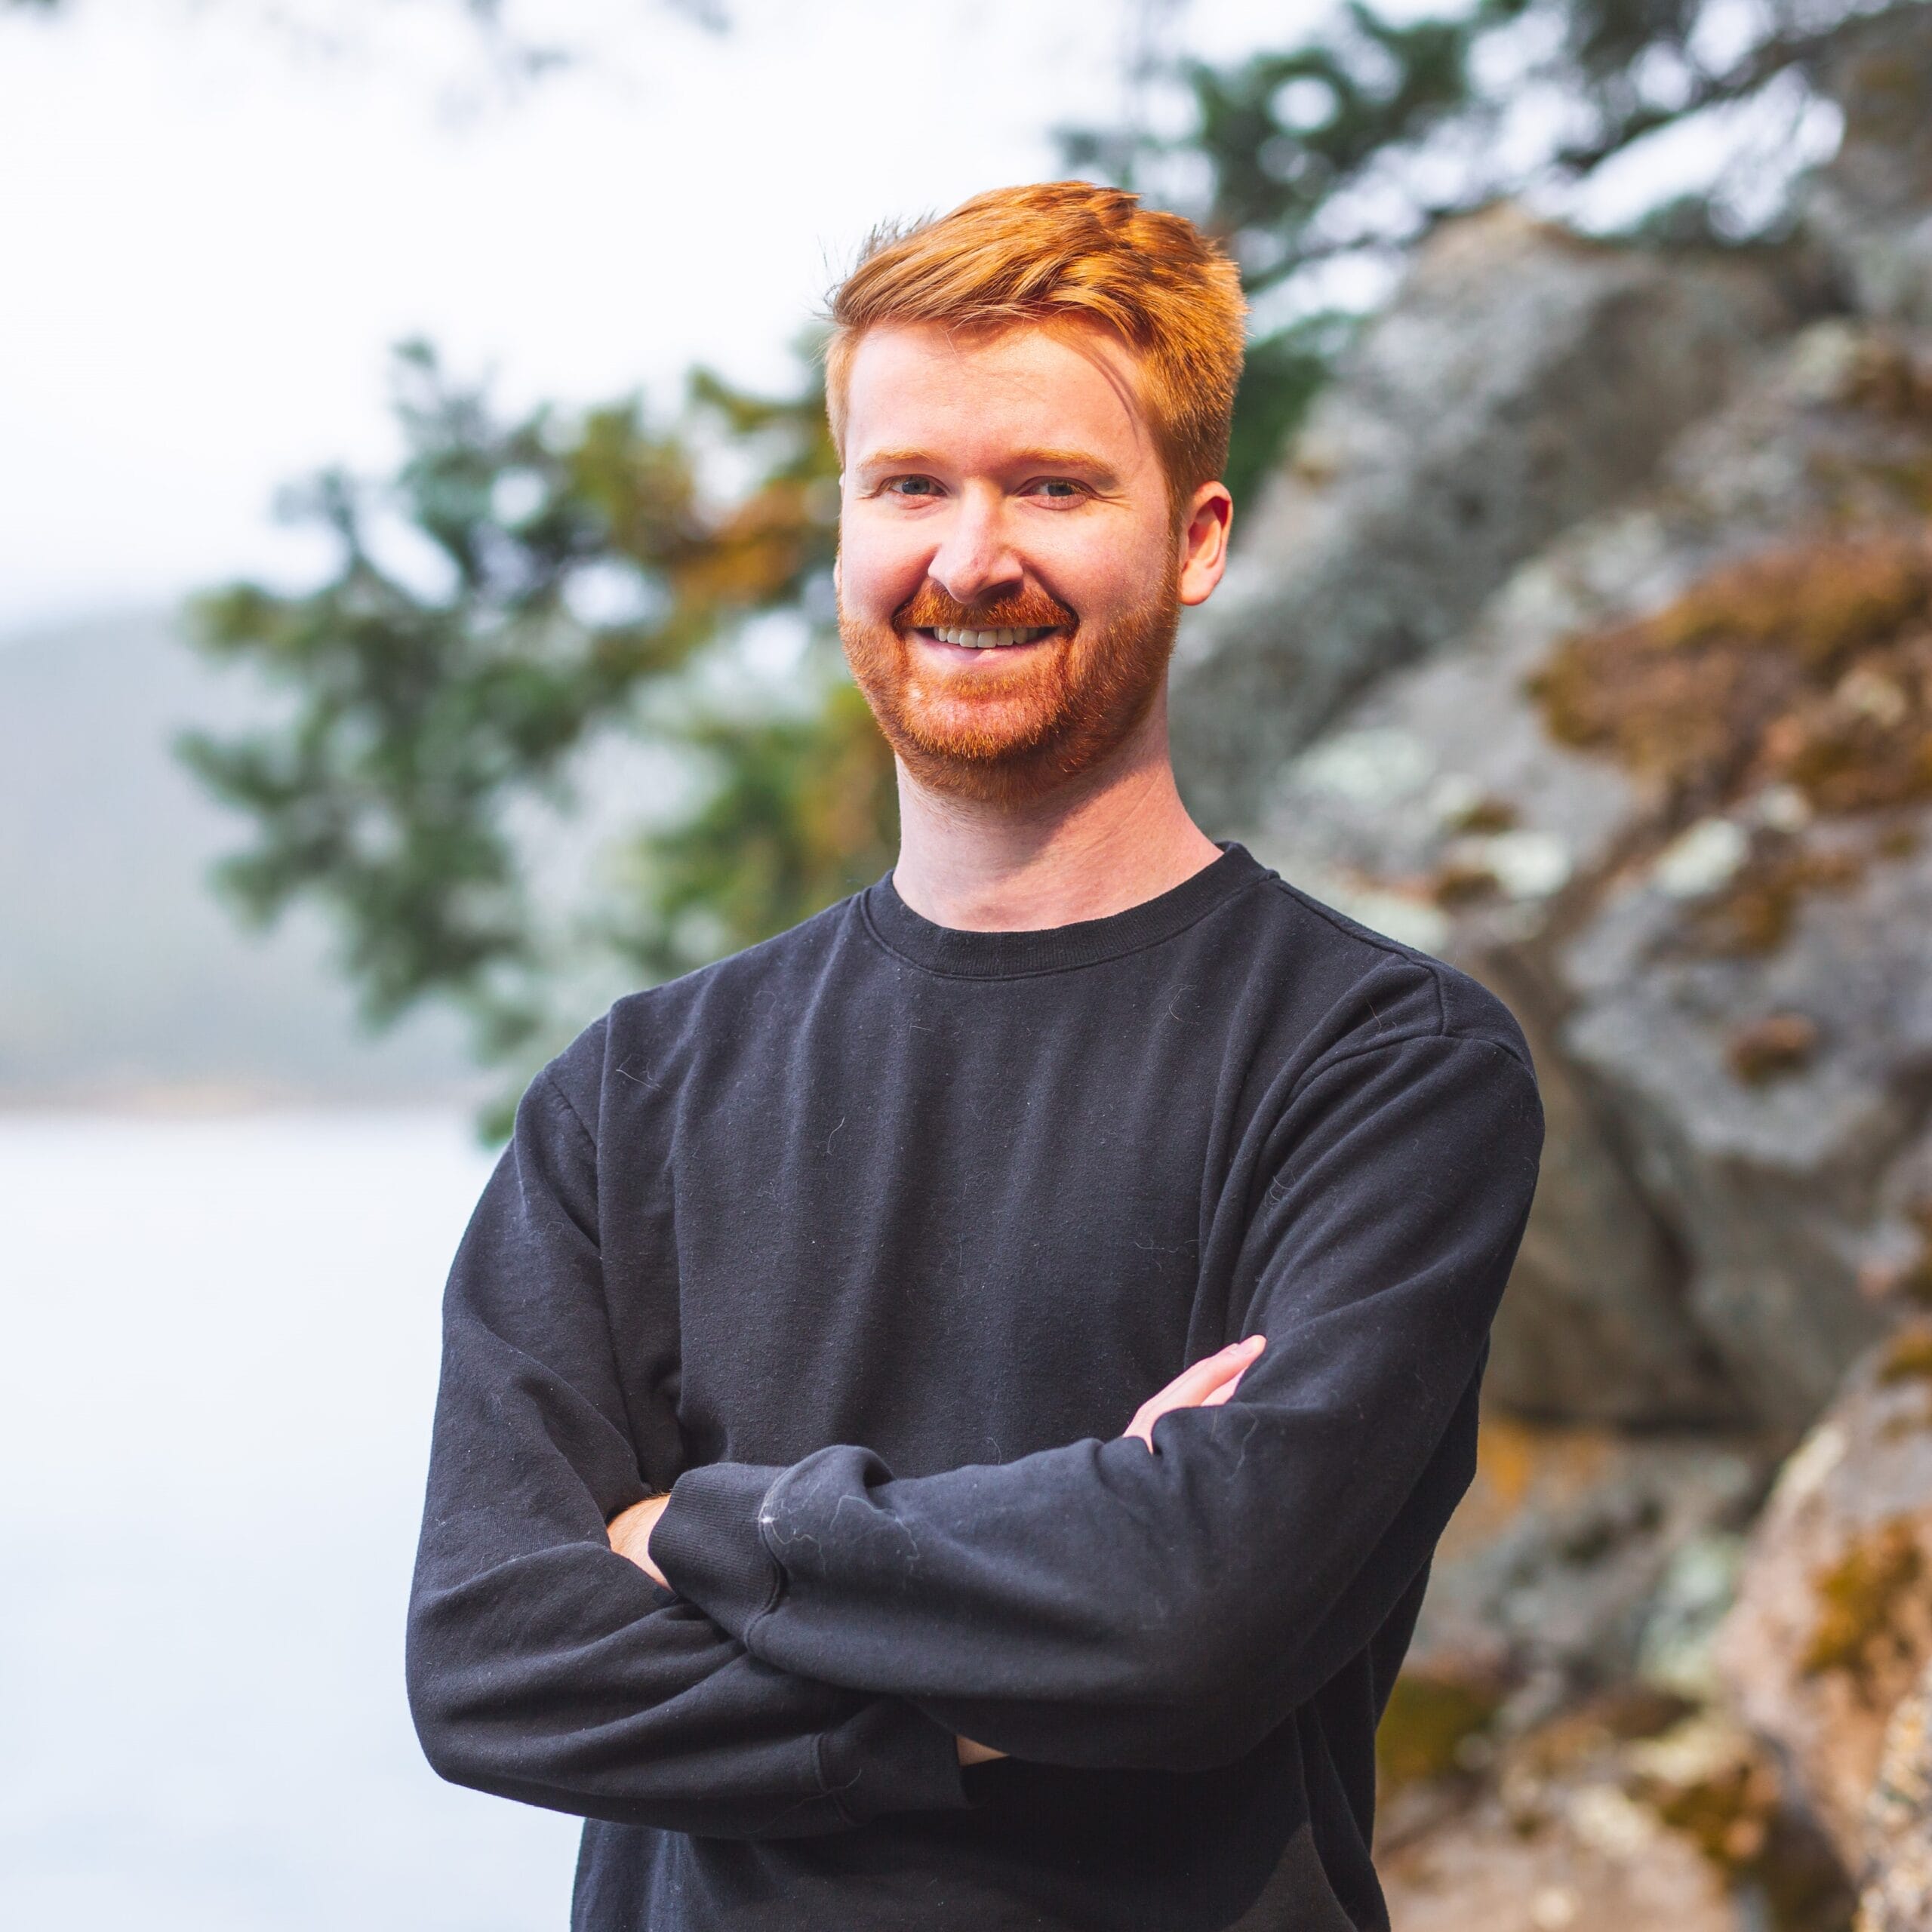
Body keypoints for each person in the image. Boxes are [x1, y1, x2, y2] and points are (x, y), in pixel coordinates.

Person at [407, 180, 1544, 1932]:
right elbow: (490, 1657)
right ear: (844, 528)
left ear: (1198, 535)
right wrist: (1030, 1646)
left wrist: (696, 1531)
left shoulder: (1382, 1067)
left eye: (1053, 485)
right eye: (909, 484)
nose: (966, 556)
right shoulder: (633, 1090)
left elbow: (1192, 1626)